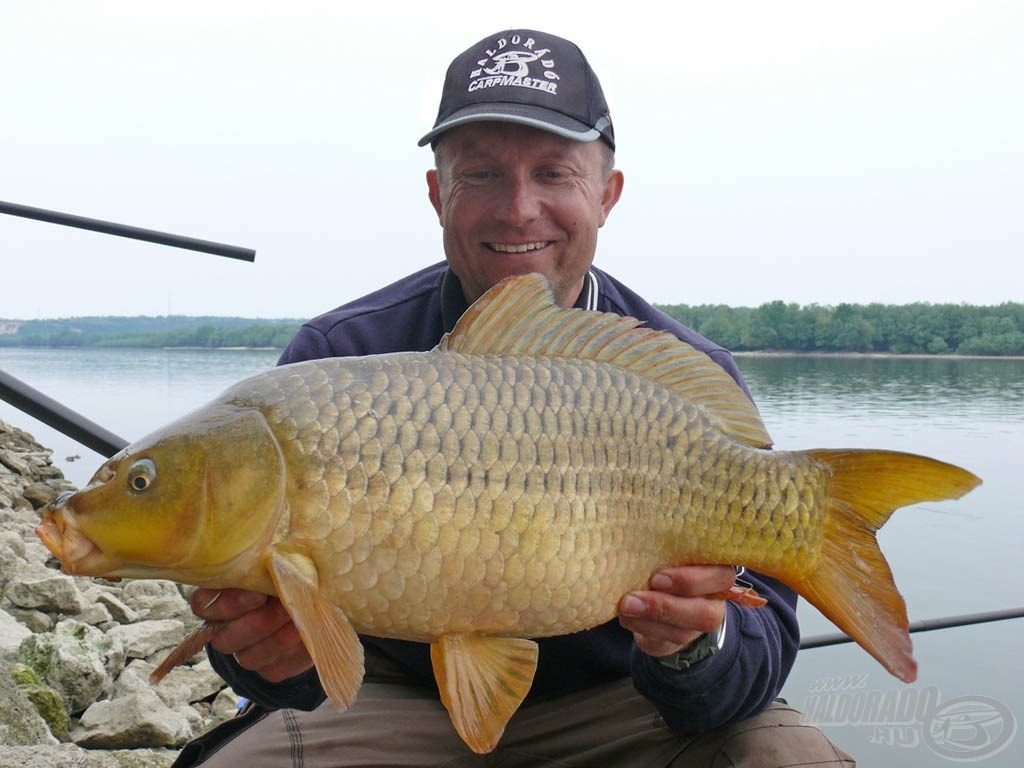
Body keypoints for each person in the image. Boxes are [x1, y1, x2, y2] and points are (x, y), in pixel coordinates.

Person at [172, 29, 854, 768]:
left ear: (607, 194)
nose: (519, 209)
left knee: (790, 759)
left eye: (555, 173)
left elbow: (753, 666)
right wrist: (267, 656)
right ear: (438, 195)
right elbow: (271, 668)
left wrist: (691, 647)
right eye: (483, 175)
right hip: (396, 704)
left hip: (625, 701)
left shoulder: (680, 376)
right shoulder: (339, 360)